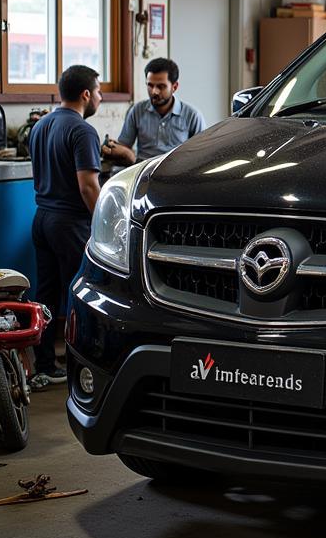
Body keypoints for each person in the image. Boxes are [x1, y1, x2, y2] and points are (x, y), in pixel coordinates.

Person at [28, 64, 102, 385]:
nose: (99, 97)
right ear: (86, 94)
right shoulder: (82, 131)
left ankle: (44, 362)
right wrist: (104, 224)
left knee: (46, 293)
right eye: (98, 91)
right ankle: (79, 363)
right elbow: (88, 186)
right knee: (81, 292)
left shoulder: (40, 125)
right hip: (70, 223)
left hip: (41, 218)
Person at [102, 57, 205, 164]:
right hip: (144, 173)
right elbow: (124, 146)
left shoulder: (193, 116)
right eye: (150, 85)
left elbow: (201, 155)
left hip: (178, 174)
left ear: (174, 87)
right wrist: (112, 148)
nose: (154, 91)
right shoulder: (137, 111)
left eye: (161, 86)